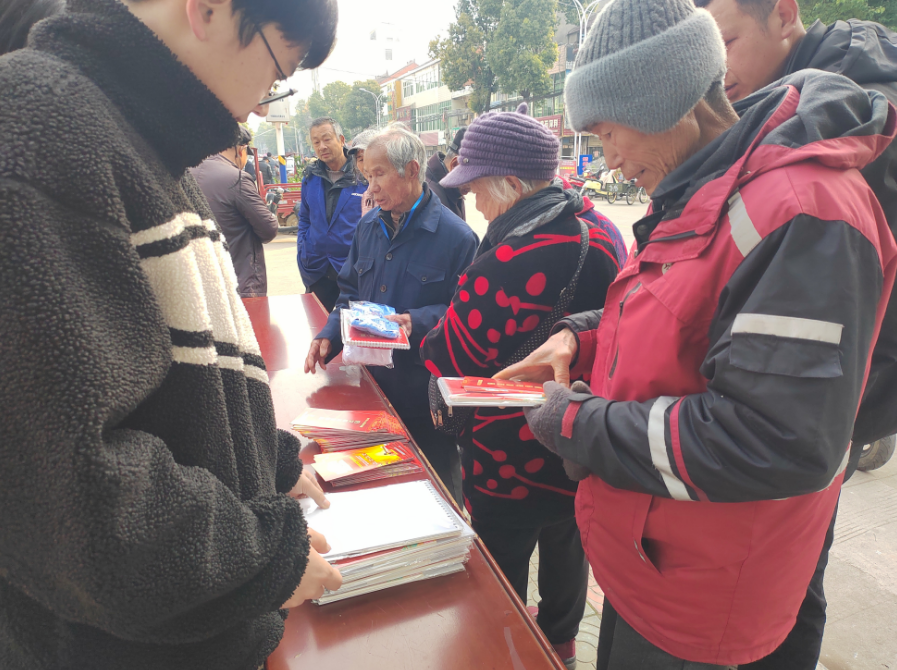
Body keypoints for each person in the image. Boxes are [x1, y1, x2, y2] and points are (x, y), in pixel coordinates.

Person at [498, 0, 897, 667]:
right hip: (652, 561)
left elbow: (771, 437)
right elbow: (681, 313)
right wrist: (580, 340)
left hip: (708, 597)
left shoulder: (802, 211)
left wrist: (576, 425)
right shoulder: (705, 186)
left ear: (663, 100)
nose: (607, 161)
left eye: (607, 133)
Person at [0, 0, 344, 668]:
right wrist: (262, 560)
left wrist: (272, 463)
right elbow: (68, 485)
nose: (261, 107)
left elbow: (184, 381)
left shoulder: (148, 147)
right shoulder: (41, 127)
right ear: (208, 9)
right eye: (277, 71)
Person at [693, 1, 897, 666]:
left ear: (783, 14)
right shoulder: (786, 100)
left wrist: (844, 411)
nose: (717, 70)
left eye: (726, 41)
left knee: (790, 577)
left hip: (827, 397)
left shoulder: (847, 119)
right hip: (819, 393)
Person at [421, 103, 620, 669]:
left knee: (500, 558)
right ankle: (561, 644)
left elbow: (449, 353)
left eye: (476, 190)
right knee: (568, 542)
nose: (475, 204)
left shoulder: (509, 257)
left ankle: (500, 649)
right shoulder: (603, 231)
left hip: (508, 454)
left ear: (510, 185)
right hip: (578, 433)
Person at [304, 125, 478, 504]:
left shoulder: (457, 238)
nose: (371, 188)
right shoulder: (368, 227)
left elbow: (466, 314)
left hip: (424, 393)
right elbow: (349, 292)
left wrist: (419, 321)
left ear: (412, 170)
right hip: (373, 384)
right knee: (380, 491)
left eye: (379, 174)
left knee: (437, 493)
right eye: (367, 176)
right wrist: (329, 335)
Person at [191, 126, 279, 298]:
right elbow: (268, 229)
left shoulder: (186, 172)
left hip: (198, 280)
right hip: (239, 281)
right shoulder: (237, 178)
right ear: (241, 149)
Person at [296, 116, 367, 312]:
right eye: (316, 142)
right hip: (317, 270)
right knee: (317, 324)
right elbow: (304, 218)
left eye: (327, 139)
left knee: (351, 326)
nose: (322, 146)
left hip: (352, 270)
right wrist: (303, 249)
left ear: (341, 140)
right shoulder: (311, 177)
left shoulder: (361, 175)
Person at [426, 126, 467, 220]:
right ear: (455, 165)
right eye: (473, 177)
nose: (475, 186)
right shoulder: (430, 196)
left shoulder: (455, 189)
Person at [347, 128, 378, 217]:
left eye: (369, 157)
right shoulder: (366, 196)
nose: (365, 166)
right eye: (361, 159)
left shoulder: (393, 193)